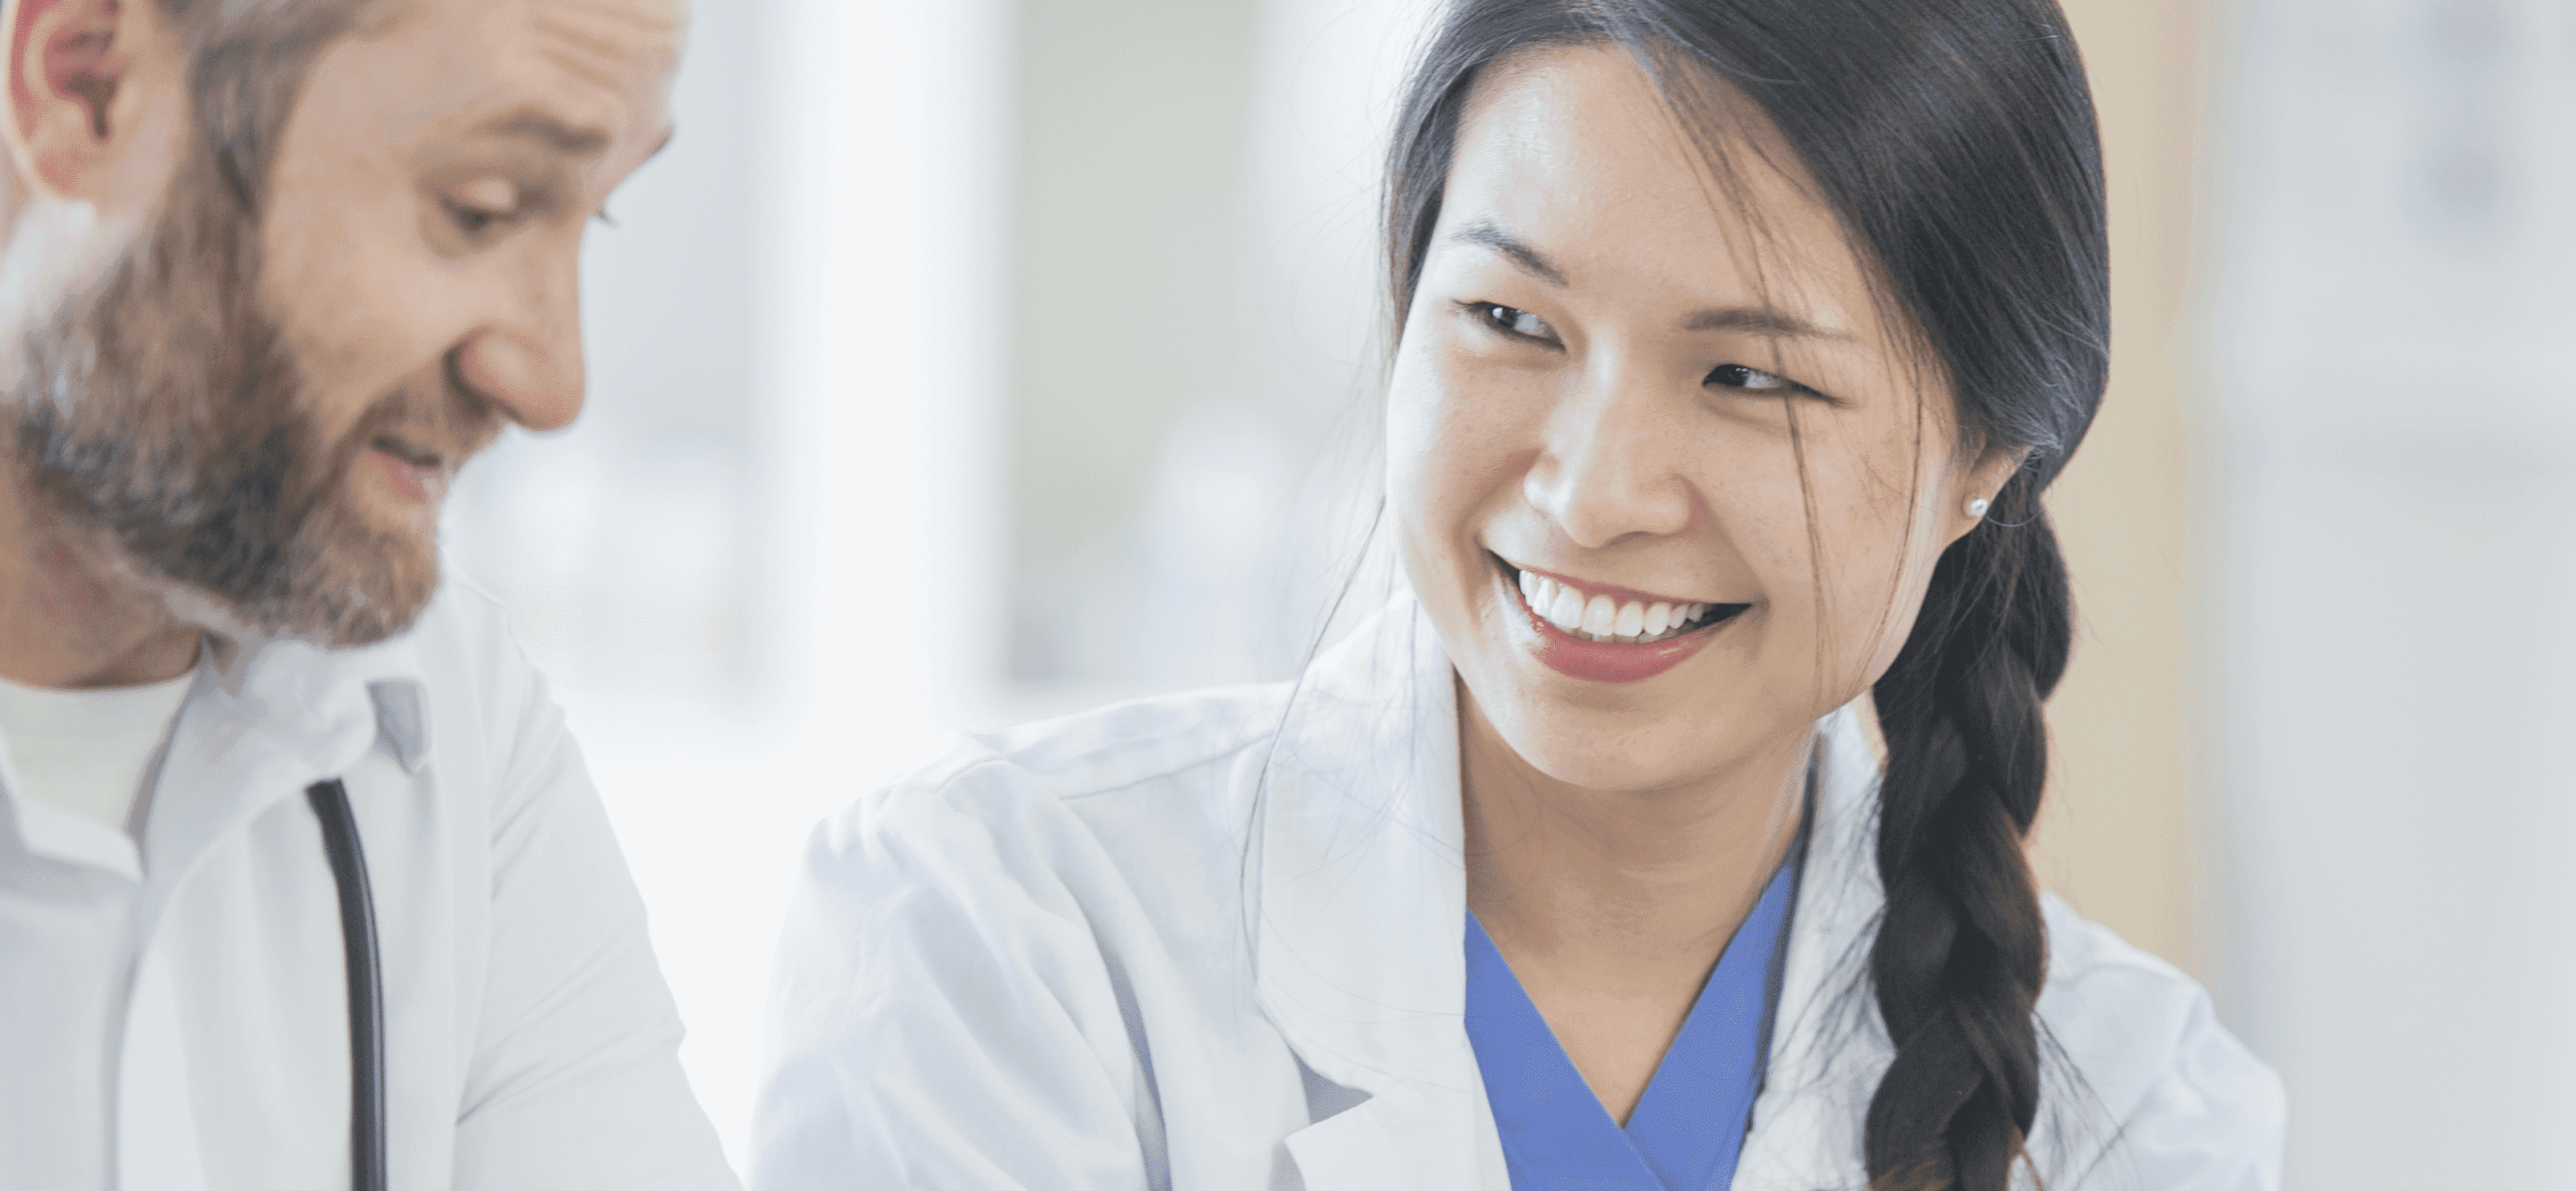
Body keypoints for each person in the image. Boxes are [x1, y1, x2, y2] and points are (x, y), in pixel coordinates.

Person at [751, 1, 2284, 1188]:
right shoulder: (1011, 932)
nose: (1593, 489)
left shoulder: (2133, 1101)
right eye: (1509, 319)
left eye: (1747, 376)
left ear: (1985, 466)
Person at [0, 0, 734, 1188]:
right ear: (83, 86)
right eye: (475, 209)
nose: (550, 379)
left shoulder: (447, 727)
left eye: (596, 213)